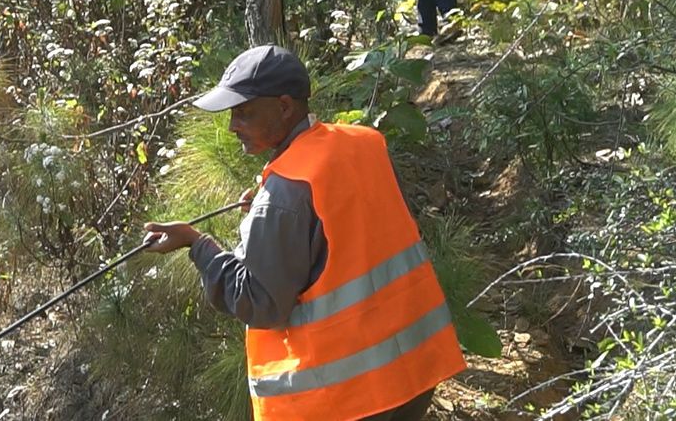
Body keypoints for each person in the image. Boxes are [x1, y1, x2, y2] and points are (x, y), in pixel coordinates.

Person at [144, 45, 466, 420]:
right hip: (413, 368)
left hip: (348, 398)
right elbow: (352, 232)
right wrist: (270, 217)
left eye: (244, 112)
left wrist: (197, 245)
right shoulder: (364, 143)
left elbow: (260, 303)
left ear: (284, 106)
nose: (233, 125)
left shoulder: (288, 191)